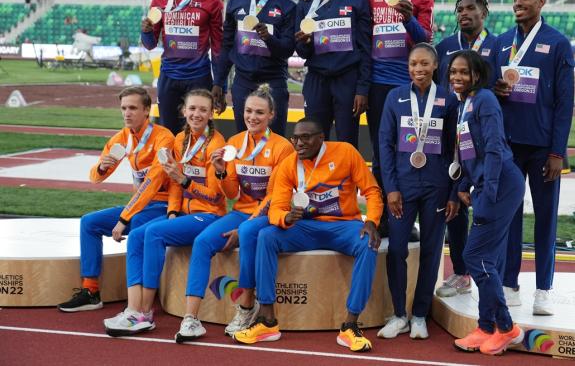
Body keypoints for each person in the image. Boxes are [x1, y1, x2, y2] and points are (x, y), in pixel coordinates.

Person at [232, 118, 383, 353]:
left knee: (369, 243)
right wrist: (286, 217)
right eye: (295, 138)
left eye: (306, 137)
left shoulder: (346, 152)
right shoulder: (289, 164)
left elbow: (372, 191)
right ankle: (267, 322)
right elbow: (276, 207)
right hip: (307, 228)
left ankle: (350, 325)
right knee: (266, 236)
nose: (299, 143)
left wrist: (372, 221)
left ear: (321, 138)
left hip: (343, 226)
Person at [174, 84, 294, 342]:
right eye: (249, 111)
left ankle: (246, 308)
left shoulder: (283, 147)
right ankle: (191, 318)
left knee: (250, 232)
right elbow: (230, 194)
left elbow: (277, 195)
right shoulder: (234, 143)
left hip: (268, 214)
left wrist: (246, 225)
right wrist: (220, 170)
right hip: (241, 211)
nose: (253, 117)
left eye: (260, 113)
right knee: (203, 241)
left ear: (271, 115)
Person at [103, 89, 227, 336]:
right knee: (138, 234)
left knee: (154, 232)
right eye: (192, 108)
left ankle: (145, 313)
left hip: (209, 215)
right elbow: (173, 184)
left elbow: (215, 196)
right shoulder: (180, 139)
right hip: (182, 213)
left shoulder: (216, 144)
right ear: (184, 110)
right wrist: (172, 211)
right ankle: (133, 308)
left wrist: (185, 181)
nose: (196, 114)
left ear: (212, 113)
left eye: (203, 109)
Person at [492, 0, 574, 316]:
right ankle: (510, 282)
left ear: (542, 2)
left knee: (545, 219)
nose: (517, 3)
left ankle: (543, 289)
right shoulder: (500, 44)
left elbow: (564, 102)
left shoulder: (557, 43)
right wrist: (495, 89)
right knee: (510, 217)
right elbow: (487, 95)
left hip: (543, 149)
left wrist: (557, 152)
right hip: (509, 146)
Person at [57, 87, 174, 312]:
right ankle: (91, 291)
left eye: (133, 108)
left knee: (138, 226)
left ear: (147, 110)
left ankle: (140, 300)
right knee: (89, 223)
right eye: (123, 108)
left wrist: (124, 217)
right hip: (139, 206)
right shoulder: (122, 138)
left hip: (163, 206)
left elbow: (152, 184)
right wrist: (101, 167)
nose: (127, 113)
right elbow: (95, 178)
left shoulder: (163, 137)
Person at [377, 43, 459, 339]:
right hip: (403, 184)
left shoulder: (449, 100)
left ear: (436, 65)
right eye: (413, 64)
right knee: (397, 248)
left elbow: (456, 149)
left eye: (424, 64)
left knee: (431, 250)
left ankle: (420, 314)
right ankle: (400, 314)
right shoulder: (395, 97)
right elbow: (385, 145)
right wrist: (391, 189)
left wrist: (454, 192)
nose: (418, 69)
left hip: (436, 185)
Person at [449, 50, 525, 355]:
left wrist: (487, 192)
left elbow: (494, 147)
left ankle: (506, 328)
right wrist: (467, 183)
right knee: (486, 260)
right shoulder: (464, 103)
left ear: (477, 75)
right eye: (453, 72)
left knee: (475, 257)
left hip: (501, 184)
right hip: (484, 184)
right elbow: (469, 150)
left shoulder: (485, 101)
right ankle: (485, 326)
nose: (456, 77)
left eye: (463, 72)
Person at [364, 0, 433, 237]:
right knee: (381, 154)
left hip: (409, 86)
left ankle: (404, 217)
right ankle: (380, 217)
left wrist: (408, 20)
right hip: (377, 85)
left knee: (407, 150)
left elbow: (425, 41)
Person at [433, 0, 497, 298]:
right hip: (451, 135)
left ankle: (491, 273)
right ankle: (461, 272)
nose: (464, 13)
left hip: (484, 138)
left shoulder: (499, 46)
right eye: (459, 9)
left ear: (484, 11)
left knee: (484, 206)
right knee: (454, 206)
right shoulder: (445, 47)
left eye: (471, 8)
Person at [141, 0, 224, 135]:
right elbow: (150, 44)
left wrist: (220, 83)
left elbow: (219, 46)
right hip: (168, 77)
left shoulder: (211, 1)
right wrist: (145, 31)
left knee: (199, 131)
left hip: (199, 76)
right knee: (168, 132)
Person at [294, 0, 372, 147]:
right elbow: (302, 52)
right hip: (316, 80)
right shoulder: (306, 3)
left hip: (347, 80)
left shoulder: (357, 1)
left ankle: (346, 178)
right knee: (314, 139)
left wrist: (362, 89)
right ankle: (316, 178)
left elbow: (365, 49)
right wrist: (306, 42)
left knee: (347, 141)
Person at [218, 0, 295, 136]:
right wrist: (218, 82)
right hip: (242, 81)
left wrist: (269, 38)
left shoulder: (287, 6)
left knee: (274, 139)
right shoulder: (236, 2)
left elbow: (287, 50)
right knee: (243, 136)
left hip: (273, 80)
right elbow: (227, 45)